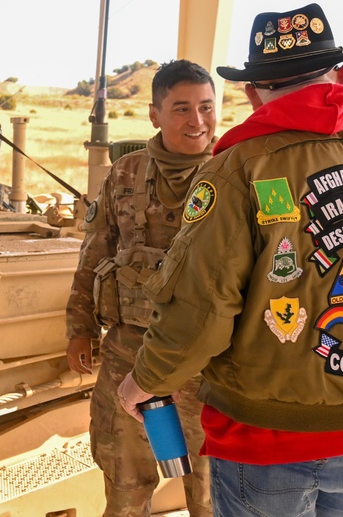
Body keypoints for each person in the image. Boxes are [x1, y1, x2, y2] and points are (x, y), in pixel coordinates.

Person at [118, 3, 343, 517]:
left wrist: (146, 381)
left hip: (266, 437)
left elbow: (202, 309)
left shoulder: (237, 169)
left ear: (251, 92)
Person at [66, 59, 217, 517]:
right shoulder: (126, 173)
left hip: (208, 364)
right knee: (125, 480)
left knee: (212, 490)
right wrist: (80, 328)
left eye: (207, 108)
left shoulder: (233, 174)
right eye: (182, 109)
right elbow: (94, 252)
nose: (198, 121)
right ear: (155, 114)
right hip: (128, 352)